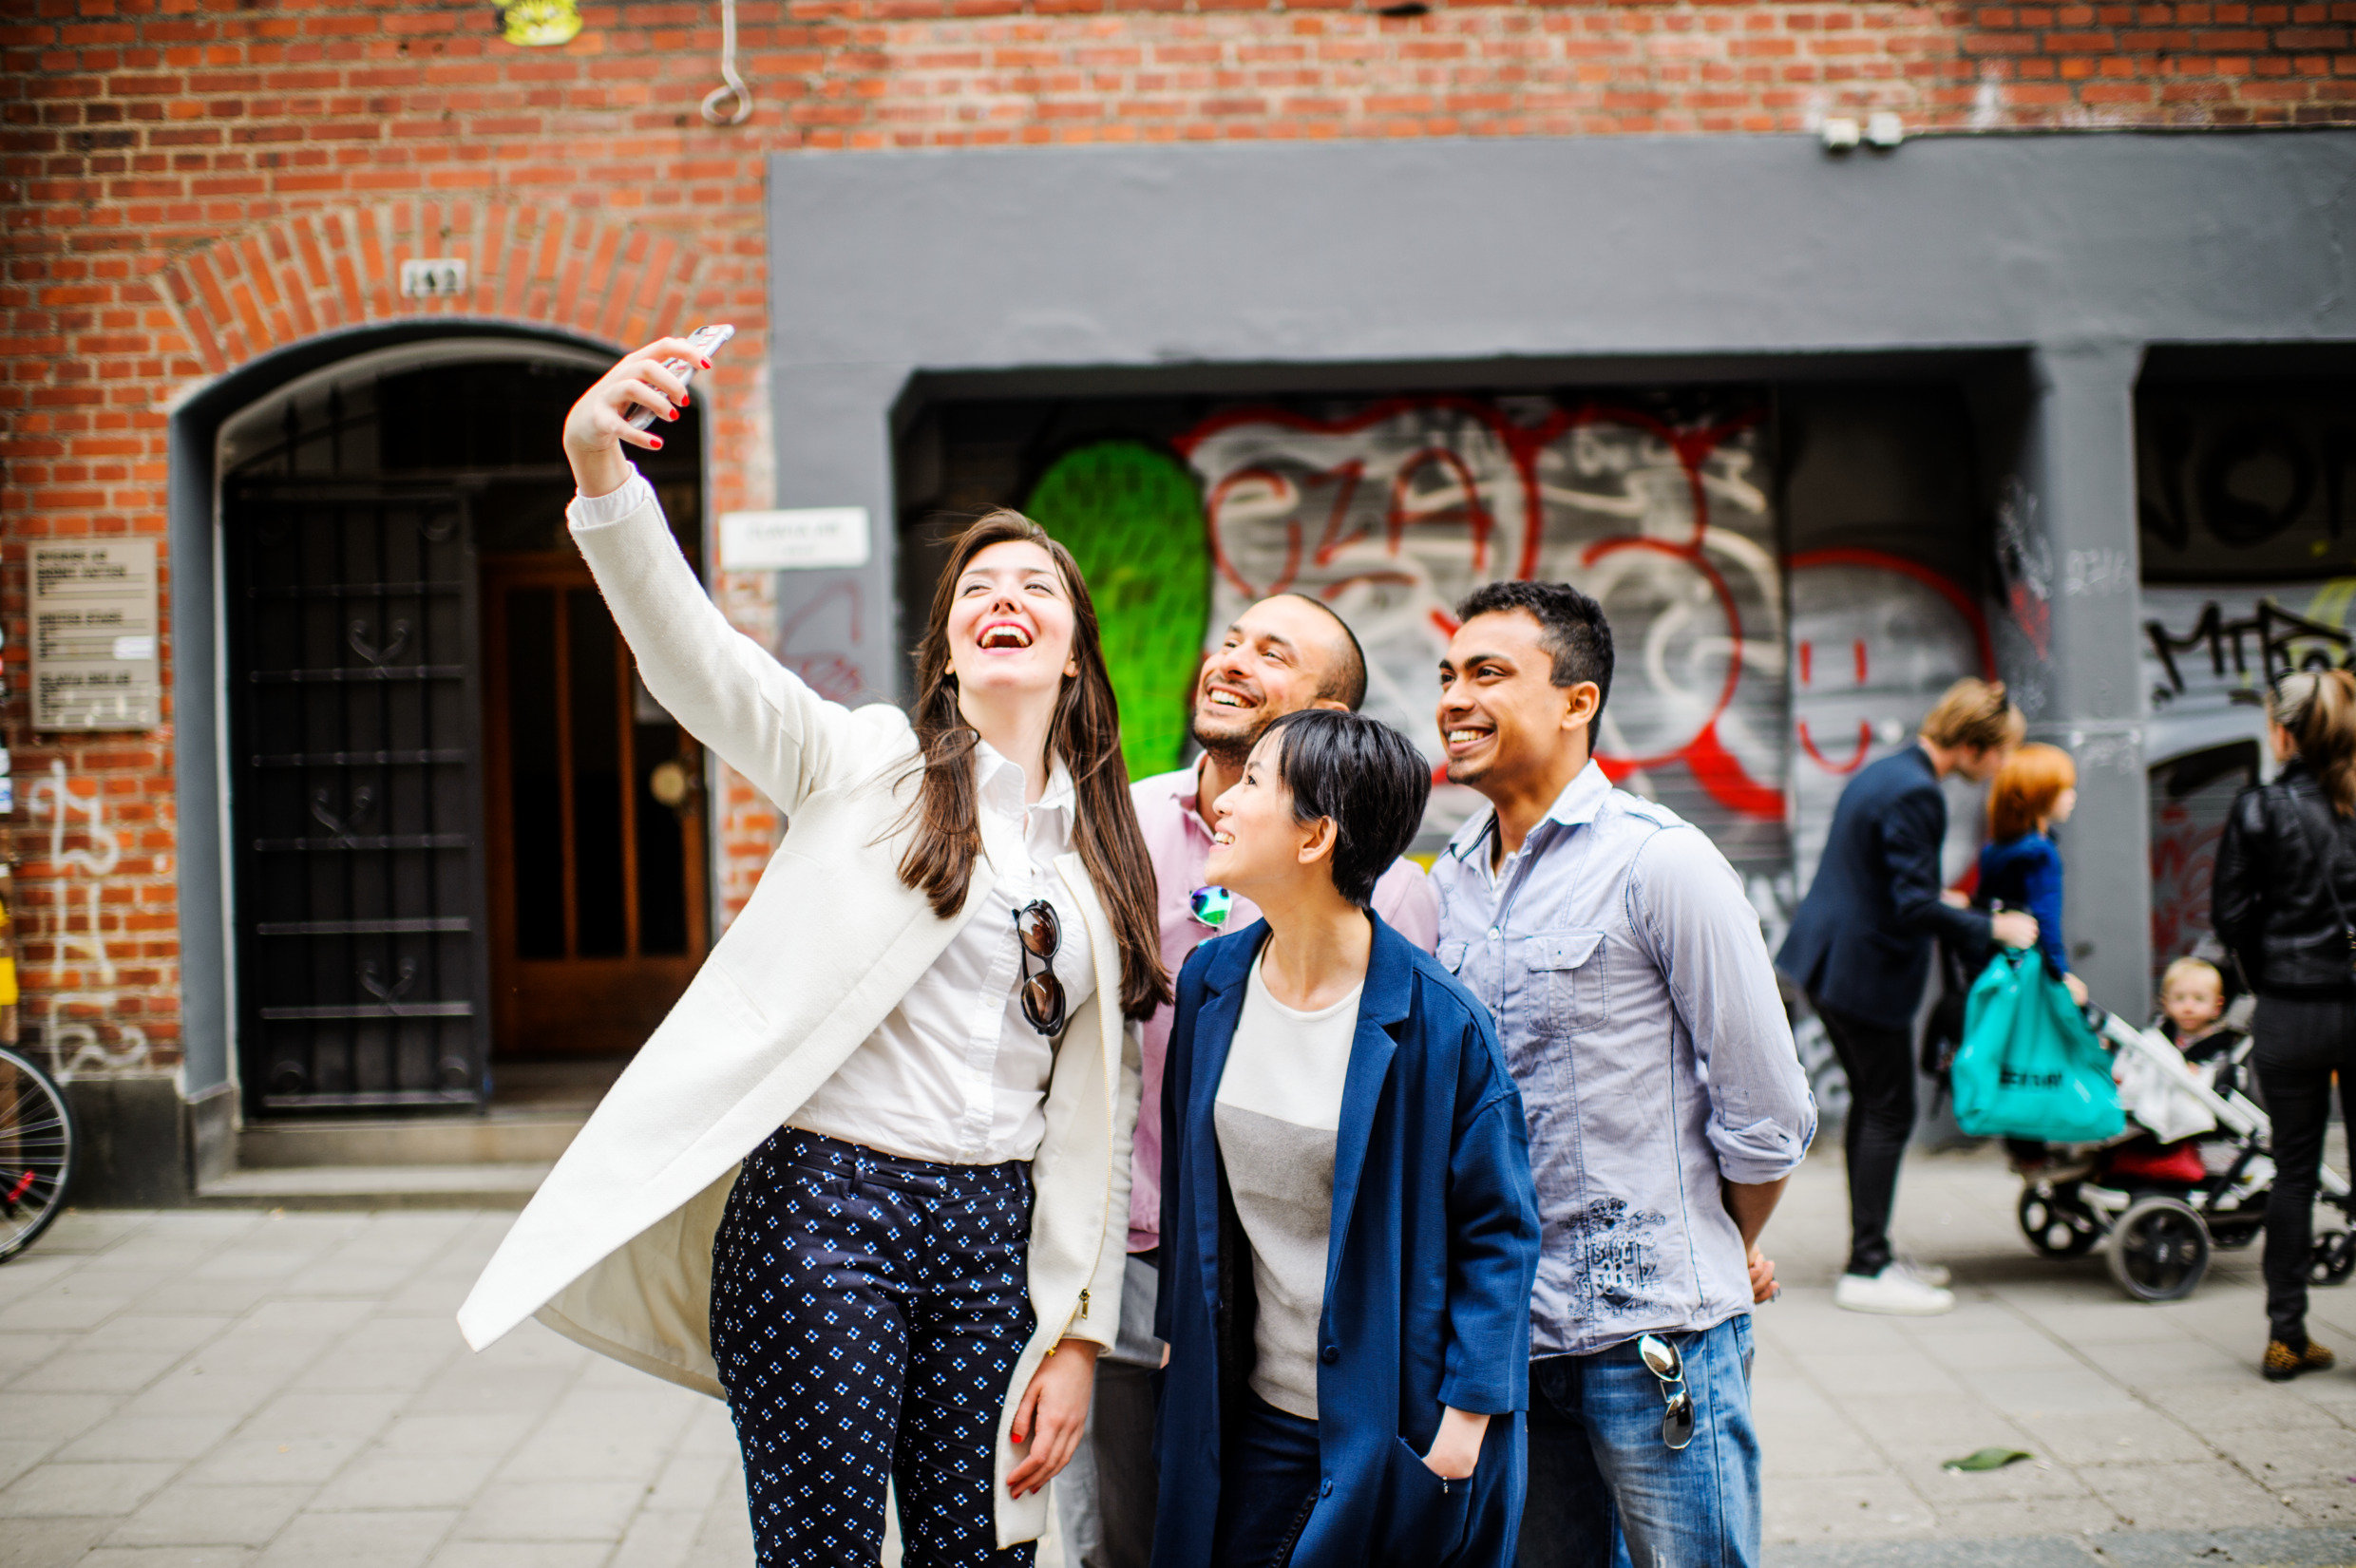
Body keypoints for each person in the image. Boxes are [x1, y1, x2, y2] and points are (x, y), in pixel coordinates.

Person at [457, 337, 1169, 1566]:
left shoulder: (1102, 859)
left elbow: (1094, 1121)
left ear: (1073, 653)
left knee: (985, 1548)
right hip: (827, 1211)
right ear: (949, 651)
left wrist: (1078, 1333)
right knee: (824, 1551)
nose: (1003, 597)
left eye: (1034, 589)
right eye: (976, 588)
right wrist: (600, 476)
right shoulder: (863, 766)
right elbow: (700, 660)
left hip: (997, 1231)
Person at [1427, 580, 1816, 1568]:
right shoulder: (1448, 883)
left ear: (1575, 700)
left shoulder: (1660, 864)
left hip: (1654, 1340)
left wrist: (1718, 1243)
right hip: (1511, 1341)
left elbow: (1767, 1106)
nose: (1452, 698)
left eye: (1487, 673)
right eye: (1445, 675)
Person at [1060, 594, 1442, 1568]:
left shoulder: (1391, 887)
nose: (1228, 659)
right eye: (1227, 638)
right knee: (1122, 1536)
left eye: (1271, 653)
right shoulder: (1108, 821)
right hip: (1134, 1252)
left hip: (1297, 1286)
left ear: (1331, 718)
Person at [1153, 708, 1541, 1568]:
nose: (1224, 798)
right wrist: (1180, 1341)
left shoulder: (1444, 1027)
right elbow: (1191, 1182)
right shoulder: (1213, 981)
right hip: (1244, 1418)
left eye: (1253, 780)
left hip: (1392, 1432)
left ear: (1317, 834)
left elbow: (1502, 1233)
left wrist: (1463, 1430)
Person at [1776, 677, 2035, 1316]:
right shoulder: (1920, 791)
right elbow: (1911, 903)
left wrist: (1944, 902)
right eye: (1999, 752)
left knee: (1875, 1104)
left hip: (1833, 961)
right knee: (1890, 1108)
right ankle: (1868, 1266)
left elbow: (1884, 876)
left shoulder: (1886, 771)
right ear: (1974, 744)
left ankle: (1875, 1250)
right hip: (1861, 974)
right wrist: (1994, 926)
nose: (2000, 766)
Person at [2211, 667, 2356, 1383]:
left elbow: (2229, 916)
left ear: (2283, 732)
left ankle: (2286, 1333)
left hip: (2291, 1011)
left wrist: (2270, 978)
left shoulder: (2260, 807)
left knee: (2294, 1170)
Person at [1977, 742, 2090, 1006]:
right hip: (2030, 980)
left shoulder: (1996, 848)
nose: (2072, 796)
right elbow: (2046, 921)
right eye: (2064, 789)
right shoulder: (2040, 852)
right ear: (2039, 794)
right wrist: (2060, 977)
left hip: (1999, 971)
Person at [2157, 955, 2243, 1065]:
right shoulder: (2162, 1034)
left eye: (2199, 999)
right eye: (2179, 998)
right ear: (2166, 1004)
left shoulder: (2222, 1045)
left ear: (2217, 1007)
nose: (2188, 1008)